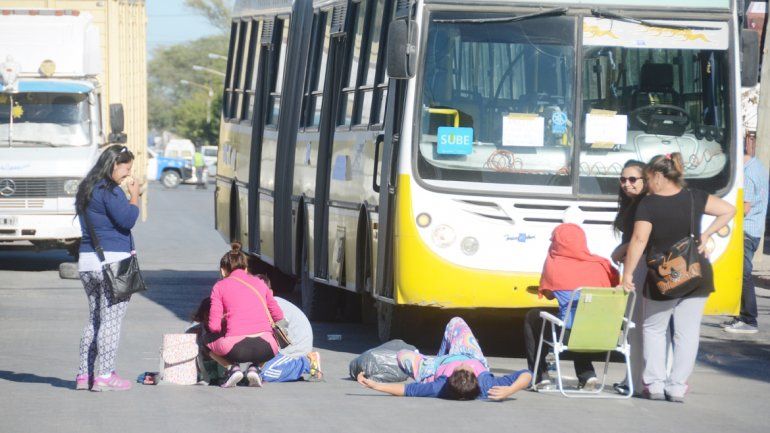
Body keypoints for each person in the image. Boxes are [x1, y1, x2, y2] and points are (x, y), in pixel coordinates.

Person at [622, 152, 735, 402]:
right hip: (696, 274)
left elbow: (639, 240)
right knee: (687, 332)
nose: (647, 183)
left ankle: (654, 384)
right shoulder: (695, 197)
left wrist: (628, 273)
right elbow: (729, 210)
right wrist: (706, 235)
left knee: (654, 329)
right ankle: (676, 386)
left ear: (659, 176)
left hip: (663, 277)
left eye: (648, 178)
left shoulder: (648, 204)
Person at [74, 145, 141, 391]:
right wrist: (134, 195)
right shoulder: (110, 191)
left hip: (87, 261)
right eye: (126, 169)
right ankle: (104, 375)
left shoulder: (85, 188)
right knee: (111, 321)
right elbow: (128, 220)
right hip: (114, 262)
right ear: (114, 164)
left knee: (94, 318)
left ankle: (84, 376)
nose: (127, 174)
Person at [524, 223, 619, 390]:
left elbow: (548, 294)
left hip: (569, 336)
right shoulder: (602, 265)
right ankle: (587, 375)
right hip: (605, 335)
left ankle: (540, 375)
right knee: (582, 317)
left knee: (534, 316)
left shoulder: (555, 264)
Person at [357, 317, 531, 400]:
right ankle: (443, 354)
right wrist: (510, 390)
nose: (463, 365)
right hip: (470, 353)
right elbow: (527, 374)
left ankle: (429, 358)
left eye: (460, 368)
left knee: (403, 355)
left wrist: (374, 385)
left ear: (448, 378)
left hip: (434, 367)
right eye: (467, 368)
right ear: (476, 377)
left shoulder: (439, 386)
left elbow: (406, 390)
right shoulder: (487, 384)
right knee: (456, 321)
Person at [206, 242, 285, 388]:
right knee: (273, 339)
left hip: (235, 349)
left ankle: (232, 369)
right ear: (246, 268)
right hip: (267, 347)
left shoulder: (219, 286)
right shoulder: (260, 283)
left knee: (205, 339)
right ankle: (255, 368)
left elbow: (214, 327)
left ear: (223, 271)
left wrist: (225, 324)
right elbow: (279, 316)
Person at [610, 160, 648, 395]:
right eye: (623, 179)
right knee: (634, 328)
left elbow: (639, 239)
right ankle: (632, 377)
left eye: (633, 179)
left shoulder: (645, 204)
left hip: (641, 269)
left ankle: (639, 380)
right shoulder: (631, 203)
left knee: (639, 327)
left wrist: (622, 252)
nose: (627, 184)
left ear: (645, 181)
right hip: (634, 267)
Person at [723, 148, 767, 334]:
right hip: (755, 229)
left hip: (746, 230)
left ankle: (749, 319)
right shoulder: (758, 166)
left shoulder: (747, 174)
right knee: (742, 273)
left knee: (743, 274)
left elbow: (744, 208)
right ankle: (741, 316)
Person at [253, 275, 322, 382]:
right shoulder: (263, 306)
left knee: (264, 374)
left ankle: (307, 363)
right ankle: (290, 368)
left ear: (270, 292)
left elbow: (276, 340)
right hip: (283, 348)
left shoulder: (275, 307)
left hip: (293, 350)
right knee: (252, 373)